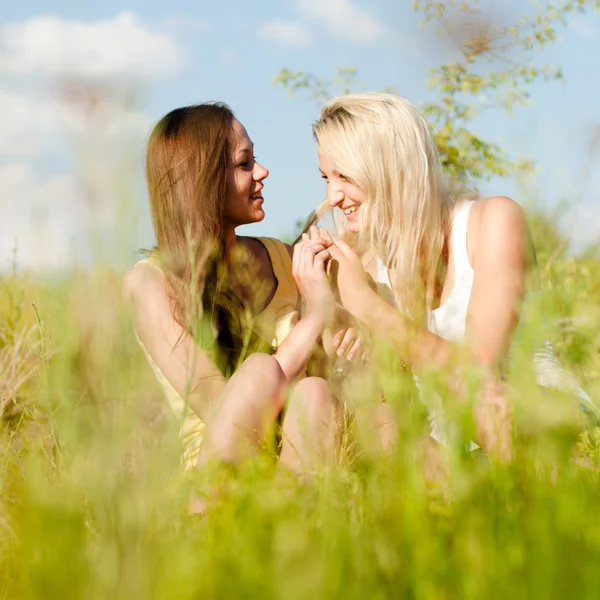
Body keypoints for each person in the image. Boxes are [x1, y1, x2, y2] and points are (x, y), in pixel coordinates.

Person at [303, 92, 599, 461]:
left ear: (393, 168)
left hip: (539, 425)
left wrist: (371, 308)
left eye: (345, 175)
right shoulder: (359, 260)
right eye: (326, 177)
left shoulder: (492, 222)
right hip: (451, 450)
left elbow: (478, 377)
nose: (332, 196)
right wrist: (328, 311)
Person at [123, 102, 349, 478]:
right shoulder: (150, 284)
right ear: (204, 180)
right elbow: (223, 410)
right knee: (260, 371)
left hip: (303, 465)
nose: (262, 171)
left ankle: (300, 529)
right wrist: (317, 316)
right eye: (244, 164)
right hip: (224, 475)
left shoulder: (286, 260)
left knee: (314, 394)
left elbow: (329, 373)